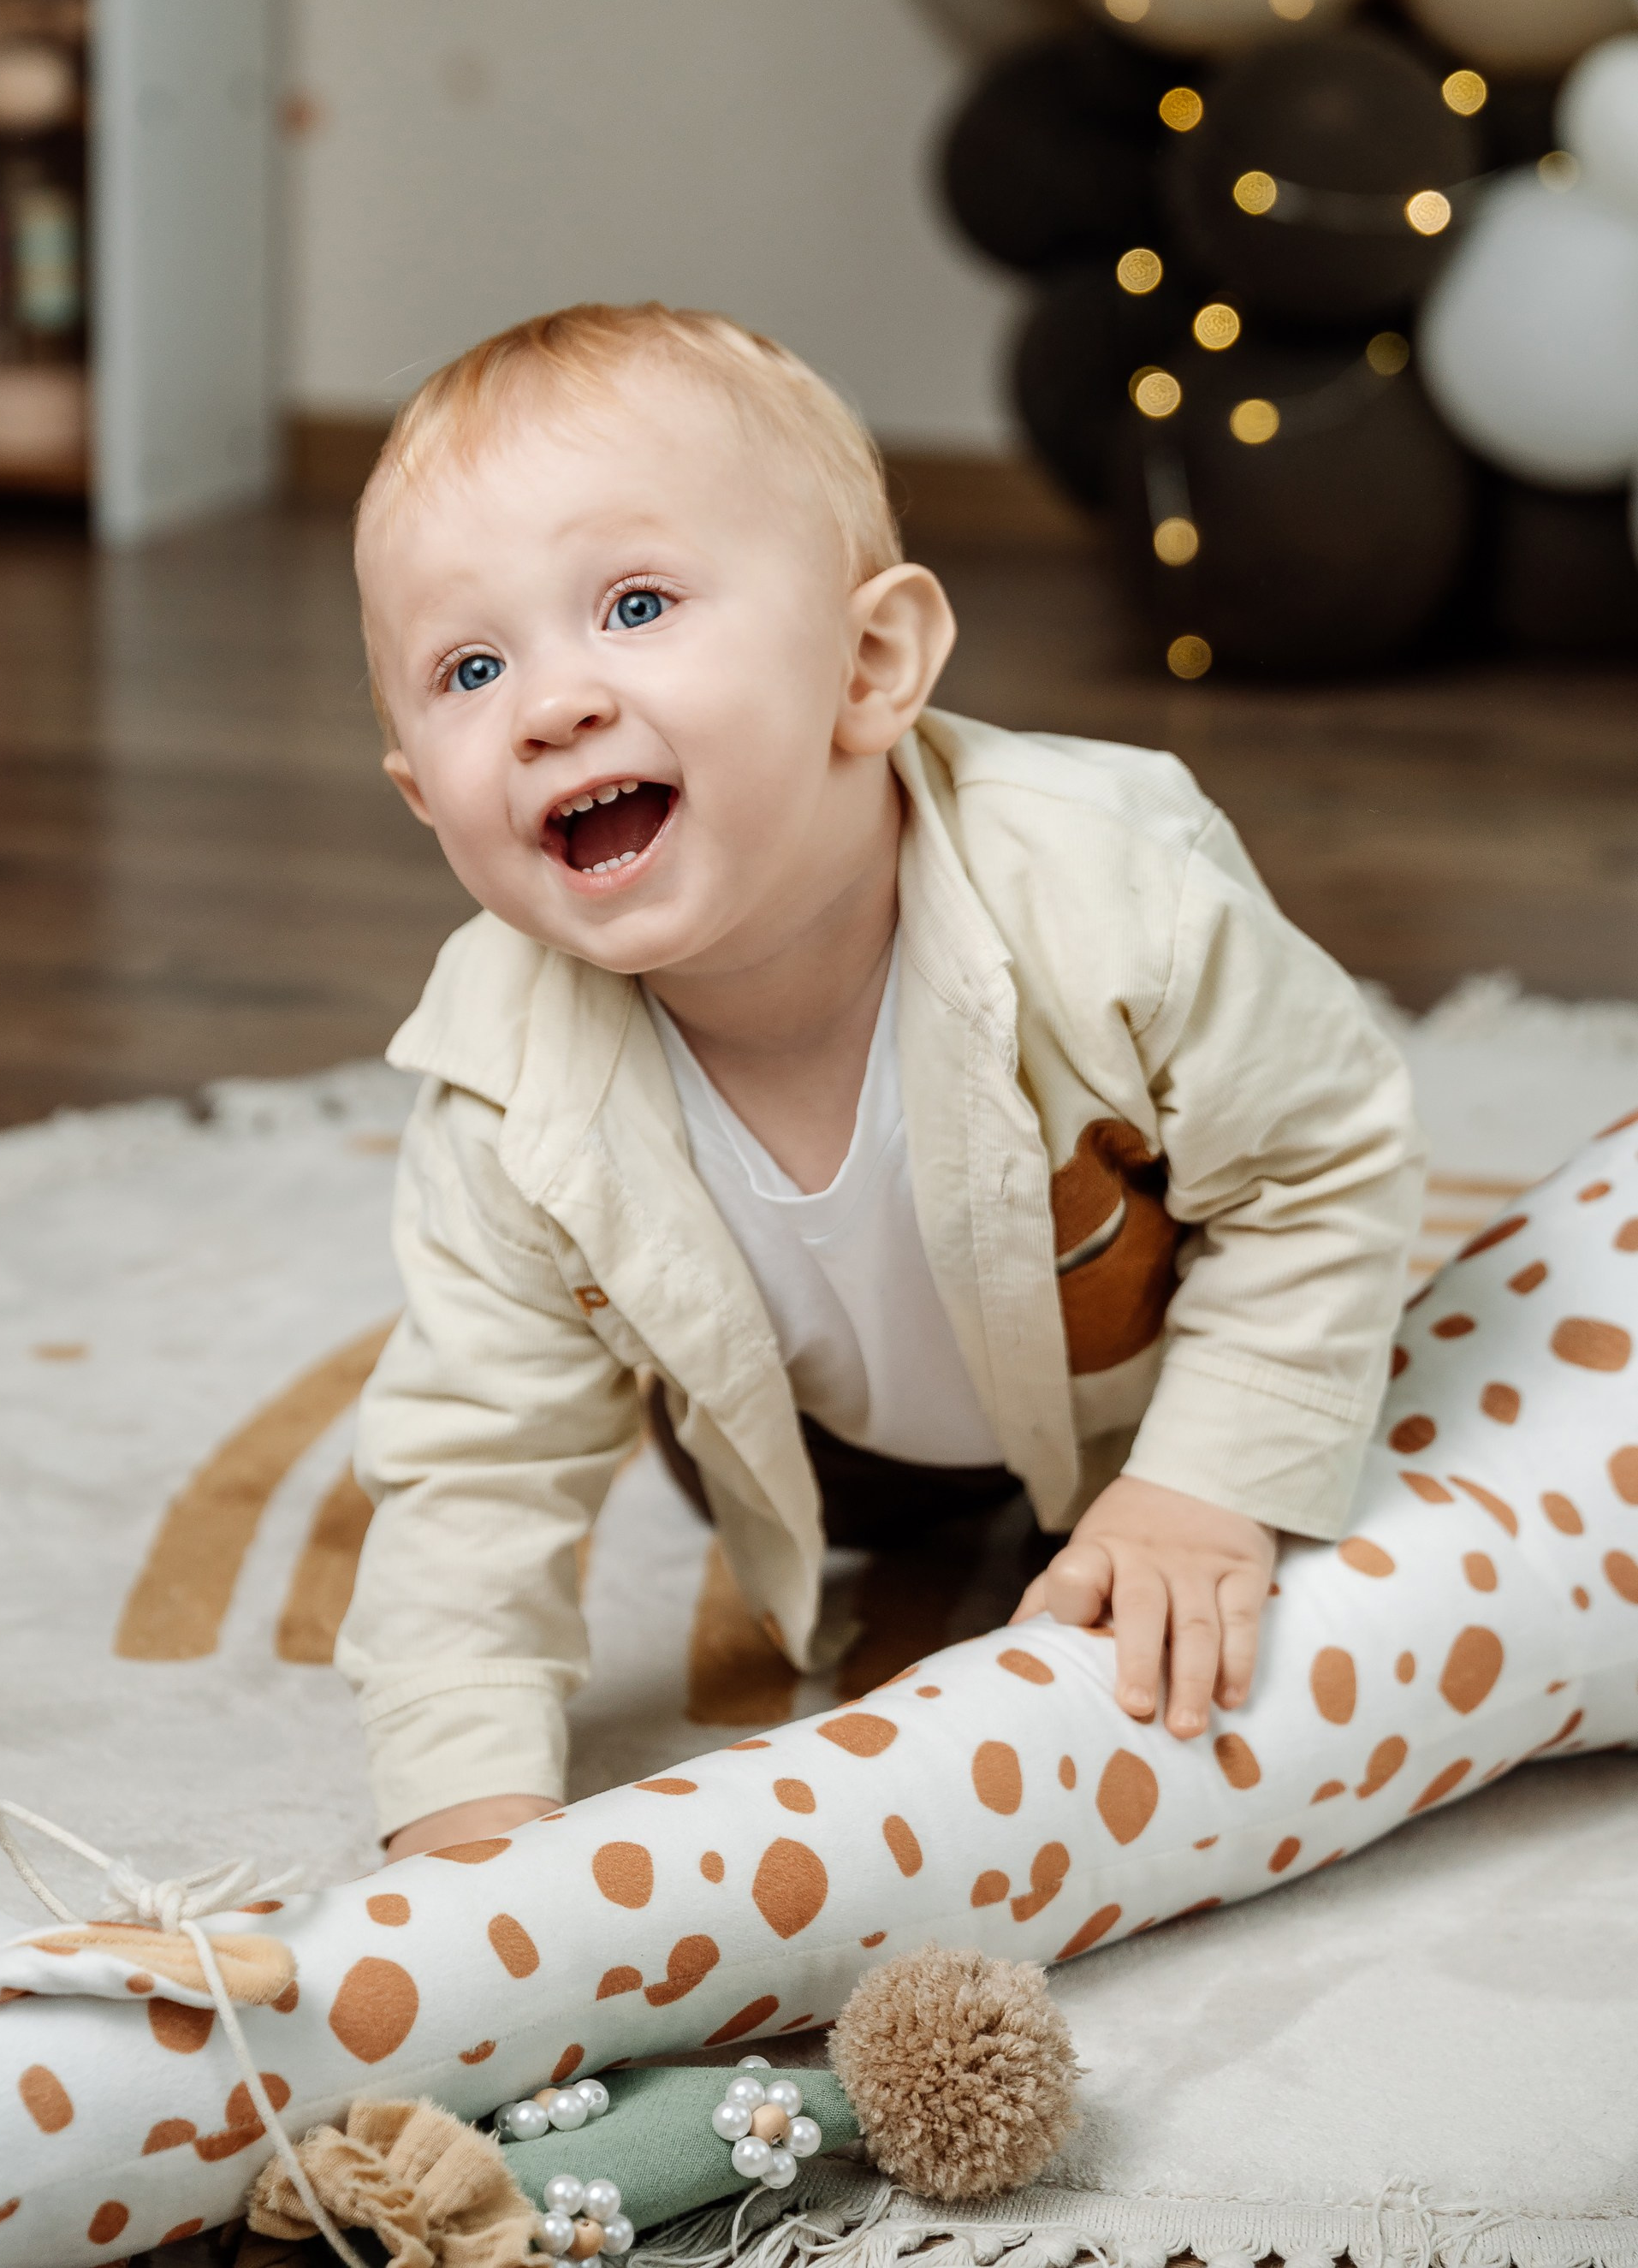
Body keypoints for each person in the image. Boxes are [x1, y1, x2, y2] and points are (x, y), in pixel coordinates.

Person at [335, 303, 1423, 1858]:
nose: (550, 703)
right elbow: (471, 1467)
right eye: (469, 667)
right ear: (418, 802)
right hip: (809, 1448)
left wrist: (1204, 1487)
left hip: (1126, 1367)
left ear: (870, 662)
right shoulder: (504, 1095)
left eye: (635, 605)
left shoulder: (1108, 897)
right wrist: (462, 1817)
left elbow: (1324, 1164)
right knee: (583, 1390)